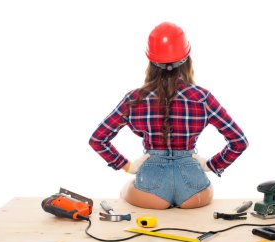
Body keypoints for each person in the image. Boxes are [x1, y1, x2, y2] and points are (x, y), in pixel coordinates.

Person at [89, 22, 248, 210]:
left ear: (151, 63)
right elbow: (239, 141)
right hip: (194, 190)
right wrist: (210, 165)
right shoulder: (202, 97)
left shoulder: (134, 98)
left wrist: (127, 166)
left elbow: (98, 140)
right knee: (203, 192)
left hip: (150, 188)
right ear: (187, 60)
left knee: (125, 190)